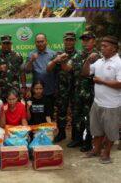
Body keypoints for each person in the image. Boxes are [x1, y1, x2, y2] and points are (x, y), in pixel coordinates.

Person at [82, 35, 121, 164]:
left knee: (110, 132)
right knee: (97, 130)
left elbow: (120, 83)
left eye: (105, 46)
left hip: (112, 105)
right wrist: (88, 61)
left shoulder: (118, 63)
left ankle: (106, 153)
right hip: (97, 103)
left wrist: (101, 81)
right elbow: (85, 73)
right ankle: (96, 150)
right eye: (102, 46)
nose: (102, 48)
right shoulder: (99, 61)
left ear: (114, 48)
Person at [68, 31, 100, 151]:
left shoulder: (98, 56)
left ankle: (87, 142)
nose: (85, 42)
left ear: (94, 41)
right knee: (77, 116)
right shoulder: (78, 55)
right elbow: (68, 67)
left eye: (88, 40)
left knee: (89, 118)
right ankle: (77, 139)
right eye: (83, 40)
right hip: (77, 92)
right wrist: (60, 61)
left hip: (91, 93)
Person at [47, 31, 80, 143]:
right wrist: (57, 59)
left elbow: (69, 69)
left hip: (76, 88)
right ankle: (61, 134)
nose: (69, 42)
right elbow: (48, 69)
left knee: (76, 112)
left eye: (71, 40)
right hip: (61, 88)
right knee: (61, 112)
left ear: (75, 41)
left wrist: (61, 61)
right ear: (64, 41)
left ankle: (75, 136)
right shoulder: (57, 54)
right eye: (67, 40)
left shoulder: (79, 54)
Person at [0, 35, 26, 102]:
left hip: (15, 90)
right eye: (4, 43)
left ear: (11, 44)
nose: (6, 45)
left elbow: (22, 72)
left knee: (15, 109)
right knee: (1, 110)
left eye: (8, 43)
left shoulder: (18, 56)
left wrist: (23, 86)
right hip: (0, 90)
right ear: (0, 44)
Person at [25, 33, 56, 113]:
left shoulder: (53, 54)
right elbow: (27, 71)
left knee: (49, 113)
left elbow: (57, 72)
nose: (40, 43)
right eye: (38, 42)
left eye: (42, 41)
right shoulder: (31, 54)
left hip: (50, 90)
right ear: (35, 43)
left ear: (46, 41)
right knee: (36, 113)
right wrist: (31, 60)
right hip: (36, 92)